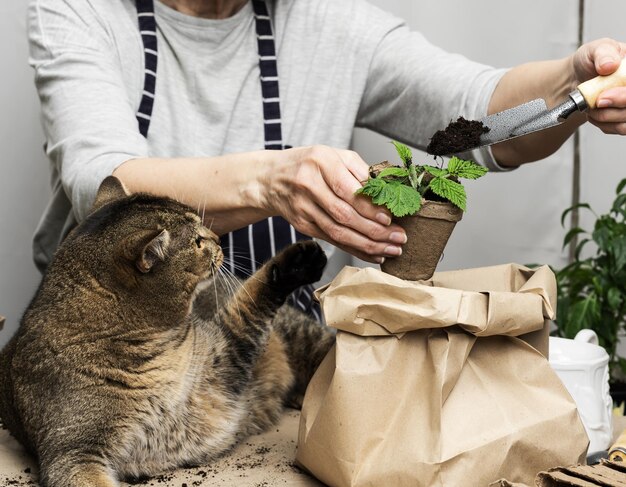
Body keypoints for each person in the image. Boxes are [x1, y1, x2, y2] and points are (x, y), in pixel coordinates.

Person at [27, 0, 626, 317]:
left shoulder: (331, 22)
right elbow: (99, 180)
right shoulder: (80, 10)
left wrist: (569, 85)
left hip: (279, 361)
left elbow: (479, 117)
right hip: (116, 360)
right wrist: (270, 179)